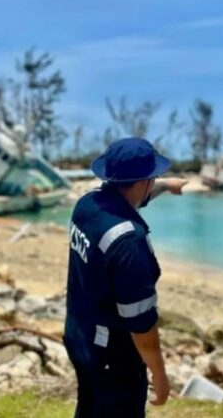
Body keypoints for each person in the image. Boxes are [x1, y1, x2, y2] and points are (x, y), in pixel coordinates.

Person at [64, 137, 187, 418]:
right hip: (112, 358)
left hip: (79, 336)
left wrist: (167, 186)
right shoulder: (129, 242)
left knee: (90, 408)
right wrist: (159, 374)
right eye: (153, 178)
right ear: (143, 181)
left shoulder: (86, 206)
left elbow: (128, 200)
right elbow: (141, 324)